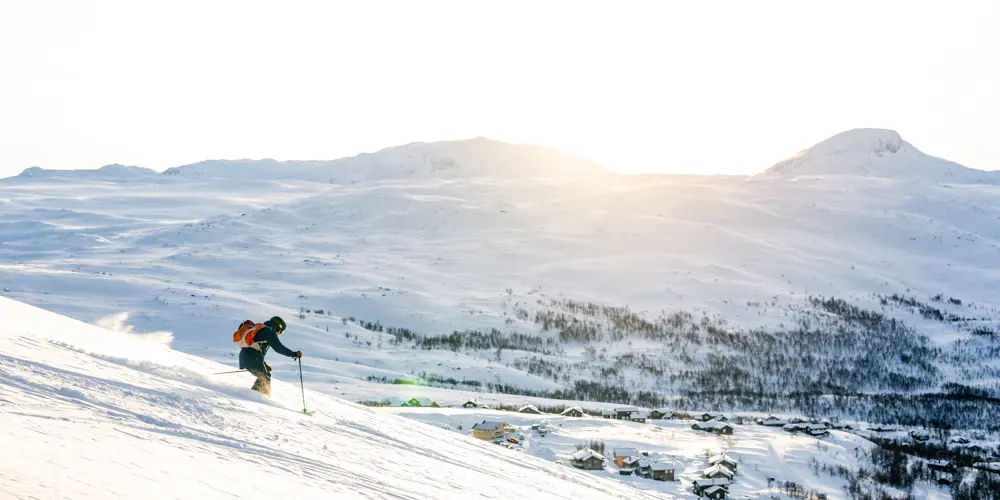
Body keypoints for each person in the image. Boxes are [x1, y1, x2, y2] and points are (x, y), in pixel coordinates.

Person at [238, 316, 302, 396]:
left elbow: (256, 347)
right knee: (265, 378)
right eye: (280, 332)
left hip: (246, 356)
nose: (279, 334)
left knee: (265, 376)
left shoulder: (261, 329)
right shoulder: (269, 331)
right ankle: (256, 398)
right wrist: (294, 354)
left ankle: (255, 396)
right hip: (251, 357)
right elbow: (279, 348)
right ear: (279, 328)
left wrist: (264, 364)